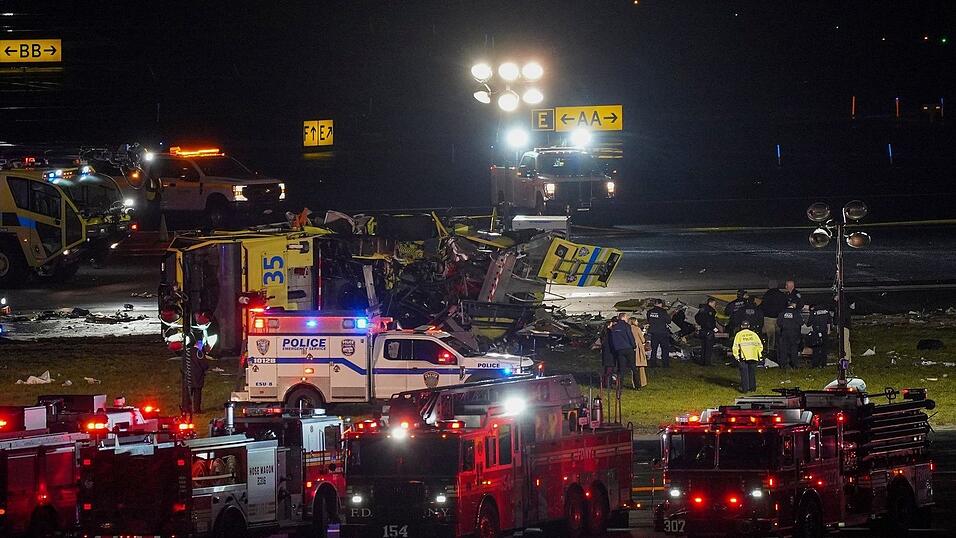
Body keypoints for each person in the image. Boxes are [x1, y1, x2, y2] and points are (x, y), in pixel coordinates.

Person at [732, 320, 764, 392]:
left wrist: (736, 356)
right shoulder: (754, 334)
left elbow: (735, 346)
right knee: (752, 372)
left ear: (741, 326)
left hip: (743, 356)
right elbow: (760, 345)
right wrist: (759, 354)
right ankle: (752, 388)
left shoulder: (739, 334)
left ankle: (745, 389)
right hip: (753, 356)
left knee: (744, 373)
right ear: (749, 326)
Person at [760, 281, 787, 355]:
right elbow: (785, 305)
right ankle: (780, 351)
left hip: (769, 318)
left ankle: (771, 352)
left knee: (770, 337)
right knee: (779, 336)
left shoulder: (767, 295)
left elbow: (763, 306)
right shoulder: (782, 295)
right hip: (779, 318)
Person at [777, 300, 803, 369]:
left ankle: (783, 365)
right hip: (794, 333)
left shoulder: (782, 312)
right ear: (793, 304)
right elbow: (801, 322)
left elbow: (779, 323)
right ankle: (794, 364)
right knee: (794, 349)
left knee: (783, 349)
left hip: (784, 333)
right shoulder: (796, 313)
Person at [610, 313, 637, 381]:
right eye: (626, 317)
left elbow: (613, 339)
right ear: (624, 317)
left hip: (619, 349)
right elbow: (630, 336)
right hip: (628, 348)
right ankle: (637, 384)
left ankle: (620, 384)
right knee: (633, 367)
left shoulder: (614, 327)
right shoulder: (626, 326)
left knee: (621, 368)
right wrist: (634, 345)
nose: (627, 318)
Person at [646, 299, 671, 367]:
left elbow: (649, 320)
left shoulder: (649, 312)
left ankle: (653, 364)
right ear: (660, 304)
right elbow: (669, 321)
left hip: (653, 333)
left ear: (654, 304)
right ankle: (665, 364)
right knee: (665, 349)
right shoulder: (663, 311)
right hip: (662, 333)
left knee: (654, 349)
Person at [806, 303, 832, 368]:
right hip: (825, 332)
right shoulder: (826, 311)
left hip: (816, 332)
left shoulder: (813, 312)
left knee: (816, 349)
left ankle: (815, 364)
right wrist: (828, 331)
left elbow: (808, 324)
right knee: (824, 349)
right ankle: (823, 364)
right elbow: (829, 322)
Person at [694, 297, 719, 366]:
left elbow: (697, 317)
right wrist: (713, 328)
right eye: (714, 303)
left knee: (703, 346)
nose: (715, 305)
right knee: (708, 347)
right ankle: (707, 362)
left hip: (702, 330)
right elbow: (709, 321)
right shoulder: (710, 310)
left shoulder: (702, 309)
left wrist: (700, 324)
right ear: (710, 302)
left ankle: (702, 361)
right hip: (708, 331)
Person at [628, 317, 648, 389]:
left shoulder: (628, 328)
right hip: (638, 348)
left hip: (630, 348)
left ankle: (634, 383)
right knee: (641, 366)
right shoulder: (637, 329)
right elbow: (642, 340)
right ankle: (642, 382)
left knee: (633, 367)